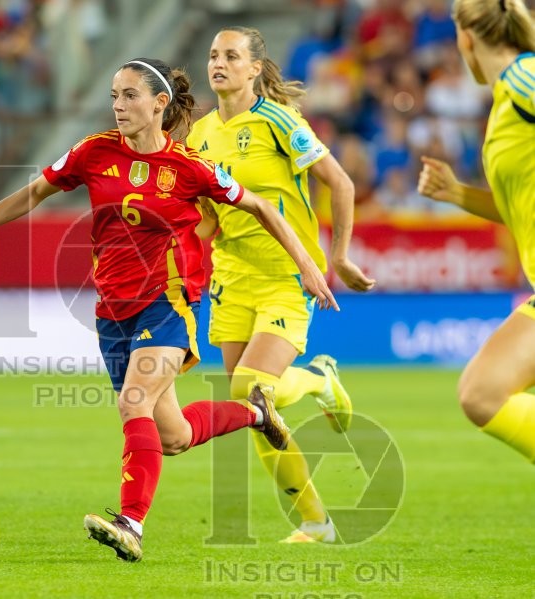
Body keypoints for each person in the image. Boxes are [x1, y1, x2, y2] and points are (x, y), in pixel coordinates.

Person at [0, 57, 338, 561]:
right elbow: (37, 191)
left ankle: (131, 523)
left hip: (168, 304)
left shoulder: (189, 168)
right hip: (112, 312)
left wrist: (305, 262)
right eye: (114, 95)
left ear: (158, 104)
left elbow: (259, 206)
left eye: (130, 96)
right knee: (171, 435)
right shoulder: (93, 151)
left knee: (134, 402)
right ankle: (256, 412)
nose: (118, 105)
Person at [188, 27, 376, 543]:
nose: (218, 62)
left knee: (254, 388)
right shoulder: (199, 136)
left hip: (287, 276)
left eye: (230, 55)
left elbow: (340, 182)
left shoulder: (278, 119)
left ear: (253, 68)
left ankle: (318, 380)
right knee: (252, 409)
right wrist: (167, 248)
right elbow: (208, 218)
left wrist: (338, 255)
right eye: (212, 54)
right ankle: (317, 522)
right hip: (231, 279)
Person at [417, 0, 535, 463]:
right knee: (483, 392)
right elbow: (519, 208)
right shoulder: (507, 99)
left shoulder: (523, 76)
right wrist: (458, 194)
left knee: (483, 393)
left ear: (466, 38)